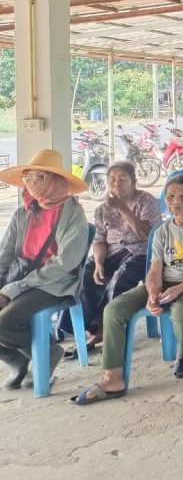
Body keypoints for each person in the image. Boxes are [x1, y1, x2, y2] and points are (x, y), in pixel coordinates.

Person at [73, 175, 183, 403]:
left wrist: (179, 288)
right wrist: (153, 293)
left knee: (182, 311)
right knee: (114, 309)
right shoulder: (161, 231)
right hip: (166, 282)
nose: (176, 201)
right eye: (170, 196)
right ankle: (112, 377)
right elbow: (154, 269)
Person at [0, 151, 89, 389]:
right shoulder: (23, 212)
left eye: (38, 177)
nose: (30, 183)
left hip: (54, 283)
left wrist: (13, 289)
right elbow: (5, 253)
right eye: (27, 177)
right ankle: (16, 360)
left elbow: (65, 263)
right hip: (20, 277)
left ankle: (47, 352)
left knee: (5, 322)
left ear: (55, 180)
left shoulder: (73, 214)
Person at [71, 163, 161, 358]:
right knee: (87, 270)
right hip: (112, 253)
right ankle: (90, 329)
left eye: (122, 179)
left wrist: (123, 209)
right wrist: (99, 263)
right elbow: (99, 241)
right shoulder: (102, 209)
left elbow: (149, 235)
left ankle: (109, 330)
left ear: (133, 181)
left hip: (140, 252)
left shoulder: (146, 201)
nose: (116, 184)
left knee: (121, 277)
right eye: (112, 179)